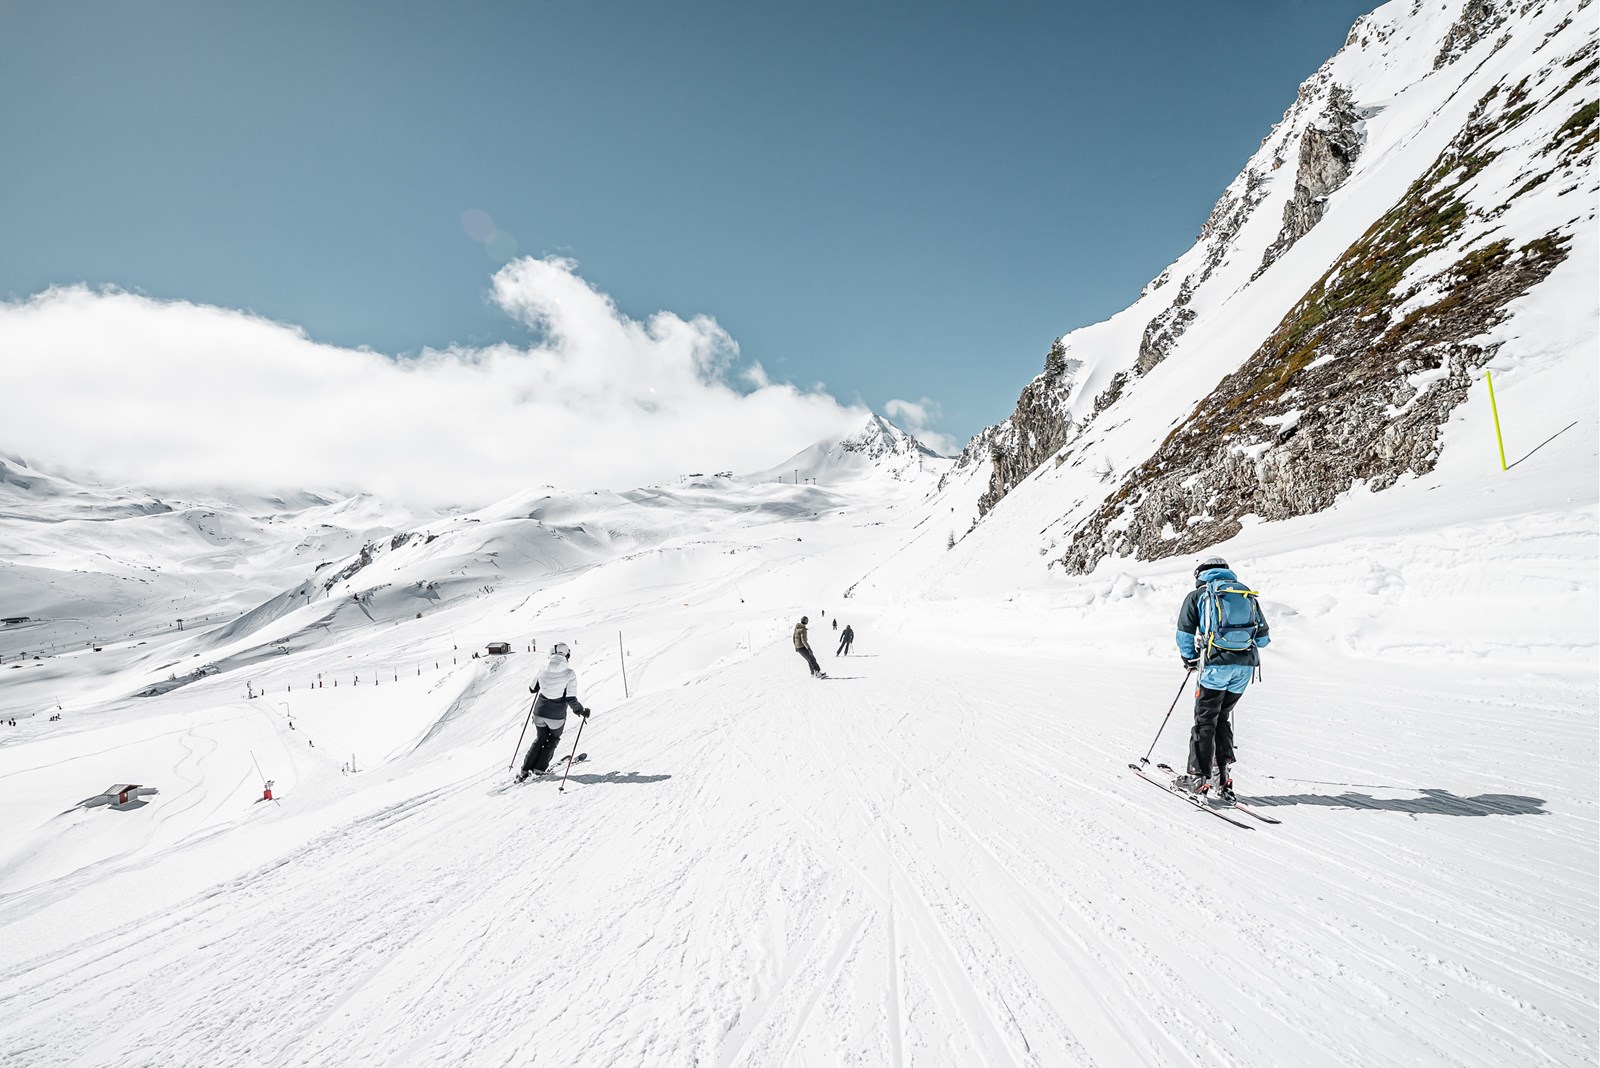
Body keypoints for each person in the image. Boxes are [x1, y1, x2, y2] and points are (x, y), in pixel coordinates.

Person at [1173, 557, 1270, 802]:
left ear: (1201, 574)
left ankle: (1198, 778)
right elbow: (1263, 638)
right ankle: (1221, 776)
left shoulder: (1198, 596)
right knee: (1222, 717)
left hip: (1215, 667)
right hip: (1245, 668)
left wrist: (1191, 659)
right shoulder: (1244, 594)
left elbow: (1184, 633)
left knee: (1205, 721)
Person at [517, 642, 592, 781]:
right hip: (556, 716)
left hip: (539, 712)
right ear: (566, 655)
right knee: (553, 739)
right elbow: (570, 698)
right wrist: (582, 711)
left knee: (539, 739)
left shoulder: (542, 670)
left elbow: (532, 689)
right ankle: (539, 769)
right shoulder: (569, 673)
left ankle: (525, 770)